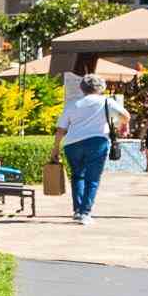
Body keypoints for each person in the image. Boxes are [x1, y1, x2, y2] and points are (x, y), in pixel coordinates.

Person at [47, 72, 129, 227]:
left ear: (82, 87)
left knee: (77, 176)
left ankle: (78, 210)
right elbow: (126, 116)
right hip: (97, 142)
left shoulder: (72, 104)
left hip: (72, 144)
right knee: (93, 179)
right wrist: (118, 124)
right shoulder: (107, 101)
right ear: (101, 87)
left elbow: (61, 129)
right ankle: (85, 213)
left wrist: (55, 149)